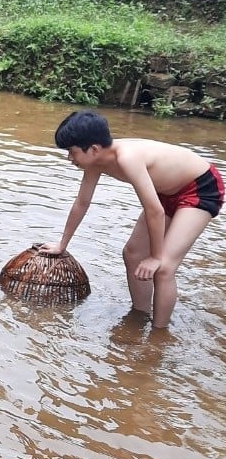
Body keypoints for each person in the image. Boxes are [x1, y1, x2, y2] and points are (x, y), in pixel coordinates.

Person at [40, 110, 223, 329]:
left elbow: (153, 209)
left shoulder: (127, 157)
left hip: (200, 188)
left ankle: (158, 335)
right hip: (165, 192)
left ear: (94, 149)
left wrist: (155, 257)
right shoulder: (95, 162)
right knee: (133, 253)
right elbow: (82, 203)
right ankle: (139, 316)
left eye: (72, 152)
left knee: (164, 267)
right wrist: (62, 244)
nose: (70, 158)